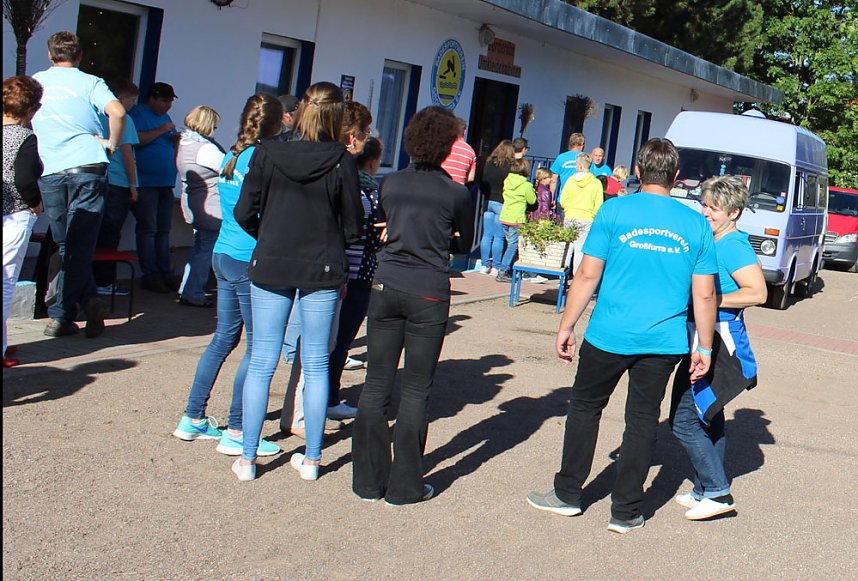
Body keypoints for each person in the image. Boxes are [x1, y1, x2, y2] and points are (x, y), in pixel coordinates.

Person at [526, 138, 718, 535]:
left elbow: (587, 274)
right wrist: (704, 345)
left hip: (608, 333)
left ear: (638, 171)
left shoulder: (614, 210)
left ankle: (567, 494)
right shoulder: (696, 224)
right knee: (642, 420)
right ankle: (626, 511)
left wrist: (566, 325)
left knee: (585, 409)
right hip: (663, 341)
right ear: (676, 176)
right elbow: (704, 294)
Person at [233, 81, 363, 482]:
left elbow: (244, 212)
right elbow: (353, 226)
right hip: (321, 266)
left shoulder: (266, 152)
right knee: (317, 363)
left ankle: (248, 458)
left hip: (272, 261)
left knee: (262, 360)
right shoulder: (341, 160)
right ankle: (312, 459)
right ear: (337, 116)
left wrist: (269, 236)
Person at [352, 105, 475, 505]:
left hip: (386, 283)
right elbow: (465, 243)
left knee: (376, 384)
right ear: (447, 146)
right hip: (428, 289)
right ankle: (405, 485)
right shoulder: (456, 192)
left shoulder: (390, 182)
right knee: (416, 389)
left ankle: (367, 482)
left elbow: (382, 224)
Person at [172, 93, 284, 457]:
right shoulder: (262, 159)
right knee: (258, 348)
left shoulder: (231, 155)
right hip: (247, 259)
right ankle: (237, 429)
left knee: (223, 339)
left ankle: (193, 417)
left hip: (223, 253)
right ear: (276, 125)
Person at [669, 175, 767, 521]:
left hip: (721, 344)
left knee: (683, 421)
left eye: (714, 208)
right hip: (703, 337)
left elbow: (758, 292)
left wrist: (709, 300)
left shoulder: (733, 246)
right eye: (704, 205)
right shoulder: (715, 241)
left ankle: (717, 492)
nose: (706, 213)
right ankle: (704, 489)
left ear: (734, 212)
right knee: (708, 416)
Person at [278, 100, 373, 432]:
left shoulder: (319, 159)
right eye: (365, 131)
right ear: (350, 135)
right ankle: (303, 418)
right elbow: (346, 223)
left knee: (316, 347)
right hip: (329, 266)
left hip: (322, 262)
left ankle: (299, 413)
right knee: (317, 349)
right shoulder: (338, 165)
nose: (368, 137)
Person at [31, 31, 126, 339]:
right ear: (80, 55)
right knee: (78, 244)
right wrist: (112, 145)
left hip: (51, 168)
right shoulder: (90, 82)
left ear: (50, 55)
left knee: (66, 243)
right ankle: (83, 304)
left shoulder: (37, 82)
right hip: (88, 165)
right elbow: (118, 111)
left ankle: (64, 314)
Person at [327, 137, 383, 420]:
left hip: (335, 268)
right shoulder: (370, 193)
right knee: (342, 339)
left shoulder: (340, 182)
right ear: (373, 161)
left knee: (329, 339)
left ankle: (320, 397)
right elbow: (373, 237)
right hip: (357, 271)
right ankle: (330, 398)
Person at [3, 76, 44, 367]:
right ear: (30, 109)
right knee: (6, 282)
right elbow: (25, 179)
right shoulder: (23, 137)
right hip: (14, 212)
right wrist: (35, 202)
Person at [129, 81, 179, 294]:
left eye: (170, 101)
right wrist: (160, 130)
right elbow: (134, 139)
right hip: (146, 183)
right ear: (153, 99)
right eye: (164, 101)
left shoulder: (165, 117)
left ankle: (165, 272)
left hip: (165, 182)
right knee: (148, 229)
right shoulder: (138, 114)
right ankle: (150, 275)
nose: (168, 105)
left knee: (163, 230)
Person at [93, 78, 139, 297]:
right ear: (121, 98)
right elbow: (127, 153)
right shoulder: (123, 117)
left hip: (95, 178)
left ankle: (90, 279)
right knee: (110, 234)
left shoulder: (94, 115)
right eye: (132, 100)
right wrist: (133, 184)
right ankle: (103, 282)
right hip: (118, 182)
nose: (133, 104)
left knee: (93, 231)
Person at [176, 105, 226, 307]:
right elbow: (227, 168)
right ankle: (194, 292)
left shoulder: (185, 143)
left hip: (192, 203)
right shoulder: (205, 149)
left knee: (198, 248)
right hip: (209, 206)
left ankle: (187, 289)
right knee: (206, 250)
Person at [559, 153, 604, 275]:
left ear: (579, 165)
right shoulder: (596, 183)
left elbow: (562, 200)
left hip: (570, 215)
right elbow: (599, 205)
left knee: (567, 247)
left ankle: (562, 275)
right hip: (587, 218)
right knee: (580, 249)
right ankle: (576, 276)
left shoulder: (571, 180)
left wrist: (568, 208)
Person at [496, 158, 536, 283]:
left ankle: (506, 268)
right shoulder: (526, 185)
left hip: (505, 215)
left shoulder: (507, 180)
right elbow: (532, 200)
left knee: (509, 243)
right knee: (513, 245)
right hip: (517, 218)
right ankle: (503, 271)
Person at [478, 140, 514, 275]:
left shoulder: (489, 164)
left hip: (488, 201)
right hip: (502, 202)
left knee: (487, 235)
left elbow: (482, 182)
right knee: (499, 237)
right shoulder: (509, 167)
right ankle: (496, 266)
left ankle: (484, 265)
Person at [549, 131, 585, 207]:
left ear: (570, 144)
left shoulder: (561, 158)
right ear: (582, 144)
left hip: (563, 198)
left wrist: (551, 198)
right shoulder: (586, 159)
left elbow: (553, 180)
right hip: (581, 200)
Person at [440, 117, 476, 185]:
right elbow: (471, 178)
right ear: (464, 132)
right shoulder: (471, 151)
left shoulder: (443, 146)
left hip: (440, 185)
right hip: (458, 188)